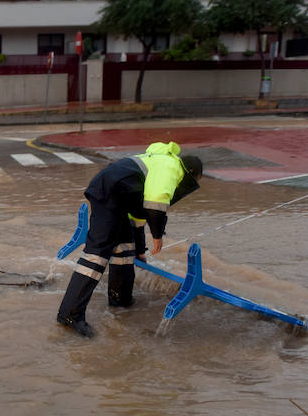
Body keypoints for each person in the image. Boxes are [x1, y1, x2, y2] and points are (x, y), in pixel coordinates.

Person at [56, 141, 203, 337]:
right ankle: (69, 314)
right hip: (109, 194)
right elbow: (156, 201)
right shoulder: (170, 167)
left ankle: (120, 299)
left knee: (124, 248)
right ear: (190, 172)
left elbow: (138, 217)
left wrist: (141, 251)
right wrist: (158, 235)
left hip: (119, 199)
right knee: (95, 256)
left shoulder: (159, 164)